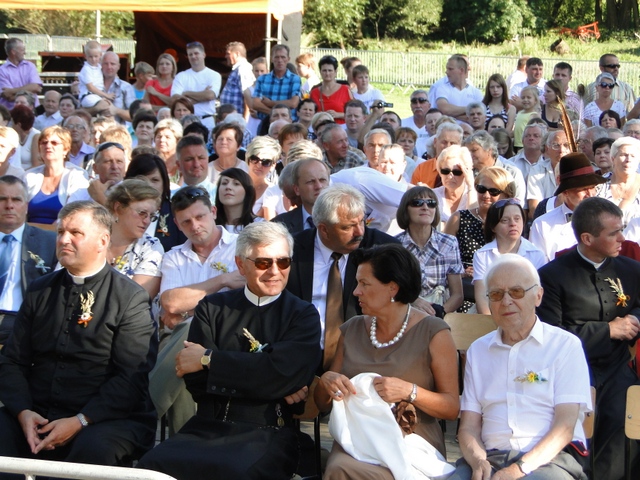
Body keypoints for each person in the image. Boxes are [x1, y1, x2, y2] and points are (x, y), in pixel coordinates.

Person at [139, 221, 320, 479]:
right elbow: (196, 383)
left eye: (283, 262)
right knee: (150, 467)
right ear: (240, 265)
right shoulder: (212, 307)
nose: (274, 271)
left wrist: (208, 360)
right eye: (263, 263)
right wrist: (271, 379)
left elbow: (284, 373)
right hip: (207, 427)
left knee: (236, 473)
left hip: (271, 430)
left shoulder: (303, 314)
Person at [0, 201, 157, 469]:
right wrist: (23, 412)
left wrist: (81, 420)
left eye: (75, 233)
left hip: (105, 418)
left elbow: (131, 378)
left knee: (93, 451)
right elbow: (13, 360)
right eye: (61, 232)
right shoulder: (40, 290)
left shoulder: (130, 298)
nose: (63, 240)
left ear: (102, 241)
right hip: (37, 412)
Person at [316, 243, 459, 479]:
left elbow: (452, 408)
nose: (356, 291)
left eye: (364, 284)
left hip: (411, 441)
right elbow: (322, 405)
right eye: (357, 283)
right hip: (358, 440)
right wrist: (326, 382)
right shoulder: (351, 329)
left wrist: (409, 391)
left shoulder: (434, 332)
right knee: (339, 468)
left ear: (392, 287)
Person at [449, 254, 591, 480]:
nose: (506, 301)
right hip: (490, 457)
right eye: (496, 294)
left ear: (538, 296)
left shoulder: (565, 346)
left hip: (550, 460)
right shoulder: (478, 351)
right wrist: (478, 461)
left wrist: (518, 470)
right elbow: (468, 427)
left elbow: (565, 426)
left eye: (516, 292)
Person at [538, 197, 640, 480]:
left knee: (624, 419)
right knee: (578, 427)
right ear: (587, 238)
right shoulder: (551, 276)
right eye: (613, 233)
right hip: (572, 370)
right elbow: (552, 334)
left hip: (618, 368)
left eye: (622, 229)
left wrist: (634, 320)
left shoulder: (631, 270)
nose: (622, 238)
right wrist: (608, 331)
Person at [286, 184, 399, 371]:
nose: (359, 232)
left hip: (363, 360)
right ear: (324, 229)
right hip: (300, 358)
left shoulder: (383, 249)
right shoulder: (291, 250)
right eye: (348, 227)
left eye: (361, 221)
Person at [444, 166, 517, 312]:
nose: (486, 195)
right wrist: (462, 272)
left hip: (502, 294)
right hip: (464, 293)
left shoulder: (513, 223)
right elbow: (443, 260)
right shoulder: (459, 219)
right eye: (481, 189)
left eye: (494, 191)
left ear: (507, 195)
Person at [0, 175, 56, 343]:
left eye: (16, 200)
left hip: (24, 324)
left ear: (26, 206)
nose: (9, 205)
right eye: (2, 199)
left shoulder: (49, 242)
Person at [396, 186, 464, 316]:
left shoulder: (449, 243)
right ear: (405, 209)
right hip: (404, 313)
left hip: (440, 313)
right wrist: (414, 301)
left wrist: (439, 312)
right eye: (417, 203)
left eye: (431, 203)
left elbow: (457, 295)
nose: (425, 207)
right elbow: (390, 289)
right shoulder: (395, 245)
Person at [530, 152, 607, 261]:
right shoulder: (543, 225)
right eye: (583, 189)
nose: (590, 194)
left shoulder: (607, 219)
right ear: (566, 192)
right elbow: (538, 265)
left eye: (592, 187)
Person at [473, 199, 545, 314]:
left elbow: (537, 295)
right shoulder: (482, 255)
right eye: (505, 220)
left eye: (517, 219)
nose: (513, 224)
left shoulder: (536, 254)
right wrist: (489, 321)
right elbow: (482, 296)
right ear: (493, 227)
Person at [105, 179, 163, 299]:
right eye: (142, 213)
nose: (147, 221)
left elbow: (137, 299)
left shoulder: (150, 247)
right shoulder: (92, 237)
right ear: (118, 208)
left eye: (152, 216)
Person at [24, 126, 89, 224]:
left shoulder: (77, 175)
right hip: (29, 231)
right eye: (44, 142)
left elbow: (72, 213)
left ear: (66, 149)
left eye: (54, 143)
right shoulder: (29, 176)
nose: (48, 146)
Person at [125, 152, 186, 252]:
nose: (148, 185)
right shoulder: (119, 211)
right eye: (142, 179)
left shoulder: (176, 214)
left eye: (154, 180)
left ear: (164, 184)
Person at [465, 130, 526, 204]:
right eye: (467, 151)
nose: (469, 154)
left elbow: (517, 203)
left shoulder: (511, 171)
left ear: (489, 150)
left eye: (474, 150)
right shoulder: (466, 171)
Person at [272, 158, 330, 234]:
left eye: (322, 180)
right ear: (297, 189)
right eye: (310, 181)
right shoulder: (279, 226)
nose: (318, 186)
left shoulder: (343, 217)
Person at [171, 41, 221, 130]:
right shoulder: (181, 76)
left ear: (204, 55)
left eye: (196, 53)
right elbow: (175, 99)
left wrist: (186, 93)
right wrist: (202, 95)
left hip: (206, 120)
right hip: (185, 121)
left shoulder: (214, 75)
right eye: (190, 54)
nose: (193, 56)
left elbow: (210, 95)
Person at [596, 136, 640, 227]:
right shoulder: (599, 185)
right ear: (613, 159)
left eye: (633, 156)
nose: (628, 160)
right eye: (623, 155)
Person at [252, 45, 301, 122]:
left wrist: (270, 103)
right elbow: (255, 104)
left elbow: (293, 103)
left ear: (288, 59)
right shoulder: (262, 79)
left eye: (283, 57)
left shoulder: (295, 79)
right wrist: (275, 115)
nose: (280, 60)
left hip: (289, 124)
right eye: (276, 57)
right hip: (267, 123)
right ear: (271, 59)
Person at [412, 122, 463, 187]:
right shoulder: (421, 169)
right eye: (444, 142)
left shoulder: (464, 170)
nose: (448, 146)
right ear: (435, 142)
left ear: (460, 146)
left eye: (452, 143)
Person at [0, 38, 42, 110]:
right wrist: (30, 93)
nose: (25, 52)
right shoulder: (1, 70)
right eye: (22, 50)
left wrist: (12, 91)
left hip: (32, 112)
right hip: (11, 112)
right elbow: (8, 96)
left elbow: (36, 87)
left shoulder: (30, 66)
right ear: (13, 52)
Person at [310, 55, 353, 125]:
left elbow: (354, 113)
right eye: (324, 70)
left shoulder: (345, 90)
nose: (327, 73)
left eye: (330, 70)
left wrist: (338, 115)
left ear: (335, 71)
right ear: (320, 72)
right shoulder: (314, 92)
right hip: (321, 128)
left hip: (341, 128)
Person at [246, 135, 282, 219]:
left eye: (266, 162)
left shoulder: (274, 192)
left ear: (273, 165)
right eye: (254, 159)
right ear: (248, 159)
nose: (259, 165)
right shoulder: (235, 183)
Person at [214, 168, 257, 233]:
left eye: (236, 184)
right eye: (224, 183)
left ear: (247, 191)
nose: (228, 187)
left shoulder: (259, 225)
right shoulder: (209, 224)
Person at [219, 42, 255, 118]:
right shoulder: (238, 69)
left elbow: (247, 96)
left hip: (238, 118)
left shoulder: (243, 69)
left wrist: (245, 119)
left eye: (228, 53)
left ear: (237, 54)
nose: (225, 56)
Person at [101, 52, 136, 124]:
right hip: (96, 129)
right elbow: (82, 111)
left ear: (118, 66)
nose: (109, 67)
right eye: (106, 63)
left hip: (117, 130)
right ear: (101, 65)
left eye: (112, 64)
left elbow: (134, 116)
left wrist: (116, 111)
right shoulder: (92, 86)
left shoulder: (126, 87)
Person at [78, 40, 111, 115]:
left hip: (97, 96)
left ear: (100, 55)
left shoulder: (99, 67)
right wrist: (106, 95)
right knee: (106, 105)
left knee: (108, 105)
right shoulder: (86, 69)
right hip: (88, 96)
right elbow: (91, 88)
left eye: (96, 56)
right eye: (90, 57)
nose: (93, 59)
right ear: (85, 56)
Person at [10, 104, 39, 170]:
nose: (11, 125)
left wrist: (19, 174)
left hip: (29, 173)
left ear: (18, 124)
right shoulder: (13, 136)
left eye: (12, 122)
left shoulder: (36, 136)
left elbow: (36, 165)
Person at [154, 118, 183, 184]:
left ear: (178, 141)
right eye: (159, 136)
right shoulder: (149, 162)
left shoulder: (182, 165)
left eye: (167, 137)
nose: (162, 140)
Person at [513, 86, 541, 150]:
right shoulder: (520, 112)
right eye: (523, 97)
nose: (525, 100)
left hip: (526, 145)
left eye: (529, 97)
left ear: (535, 100)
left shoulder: (534, 115)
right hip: (516, 144)